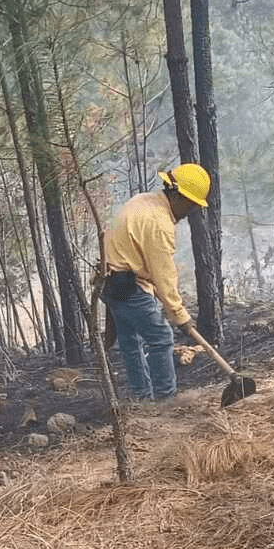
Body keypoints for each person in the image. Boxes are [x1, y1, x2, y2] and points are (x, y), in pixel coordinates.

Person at [101, 164, 210, 400]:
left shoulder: (145, 201)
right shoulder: (159, 223)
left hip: (111, 282)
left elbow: (150, 266)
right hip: (127, 286)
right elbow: (164, 275)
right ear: (176, 195)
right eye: (190, 204)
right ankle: (166, 400)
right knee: (161, 338)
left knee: (131, 342)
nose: (190, 210)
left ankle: (142, 399)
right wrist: (180, 316)